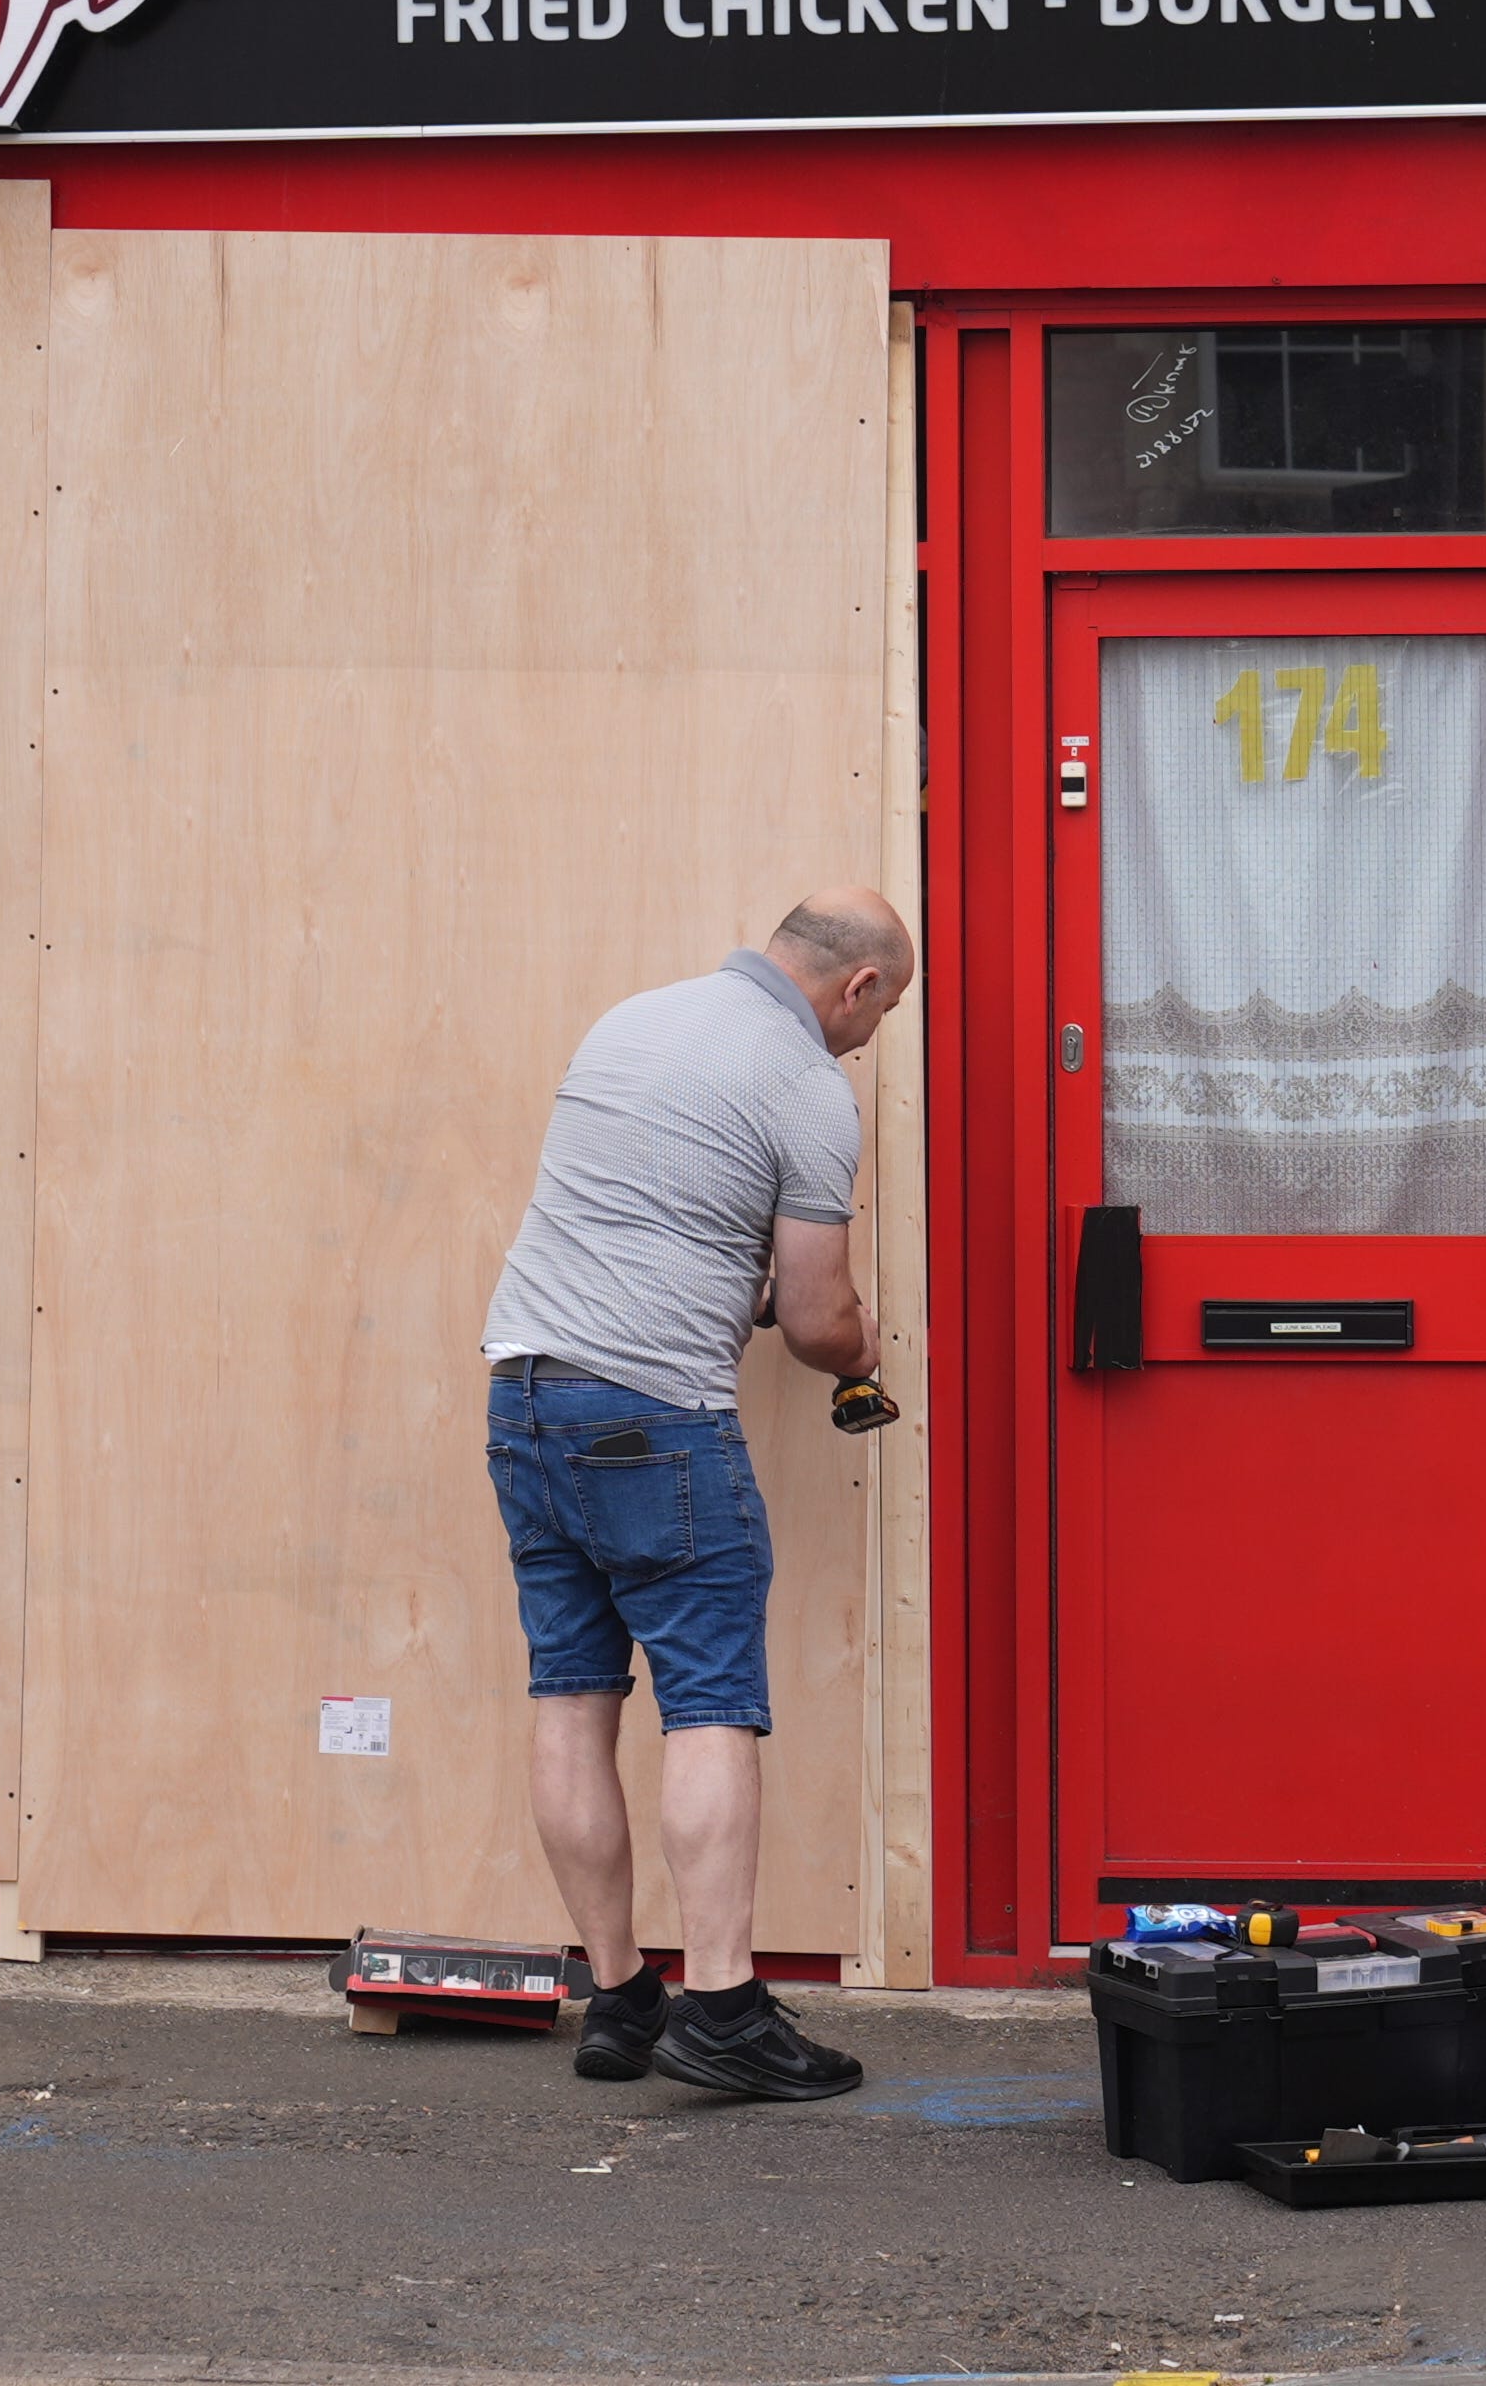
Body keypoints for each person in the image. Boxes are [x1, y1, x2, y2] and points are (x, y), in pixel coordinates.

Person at [478, 888, 911, 2101]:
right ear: (859, 987)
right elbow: (821, 1321)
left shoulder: (632, 1023)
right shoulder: (805, 1086)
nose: (863, 1046)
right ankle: (721, 2007)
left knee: (571, 1695)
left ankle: (620, 2000)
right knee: (711, 1703)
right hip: (656, 1416)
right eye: (876, 1021)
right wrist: (864, 1348)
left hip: (523, 1395)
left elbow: (650, 1216)